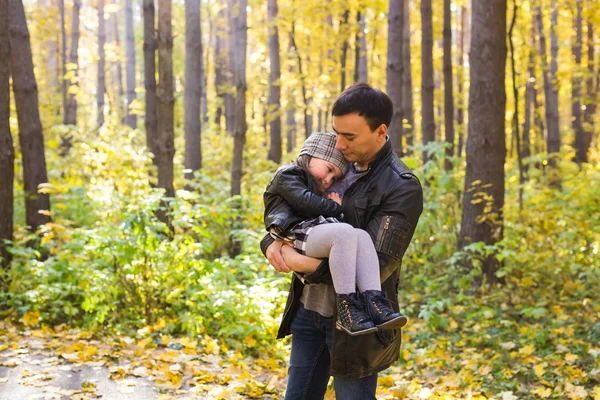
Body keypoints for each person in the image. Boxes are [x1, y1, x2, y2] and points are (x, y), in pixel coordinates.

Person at [260, 83, 423, 400]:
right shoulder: (330, 162)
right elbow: (289, 208)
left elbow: (376, 264)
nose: (339, 143)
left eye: (349, 137)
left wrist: (291, 259)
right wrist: (270, 242)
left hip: (357, 322)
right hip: (309, 309)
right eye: (336, 133)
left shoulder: (400, 186)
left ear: (380, 131)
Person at [263, 131, 408, 336]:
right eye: (329, 169)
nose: (328, 180)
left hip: (313, 231)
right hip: (297, 232)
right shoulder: (289, 174)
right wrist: (335, 207)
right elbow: (304, 202)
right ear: (312, 154)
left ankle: (375, 302)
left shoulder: (311, 181)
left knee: (361, 236)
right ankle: (347, 307)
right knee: (344, 233)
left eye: (334, 177)